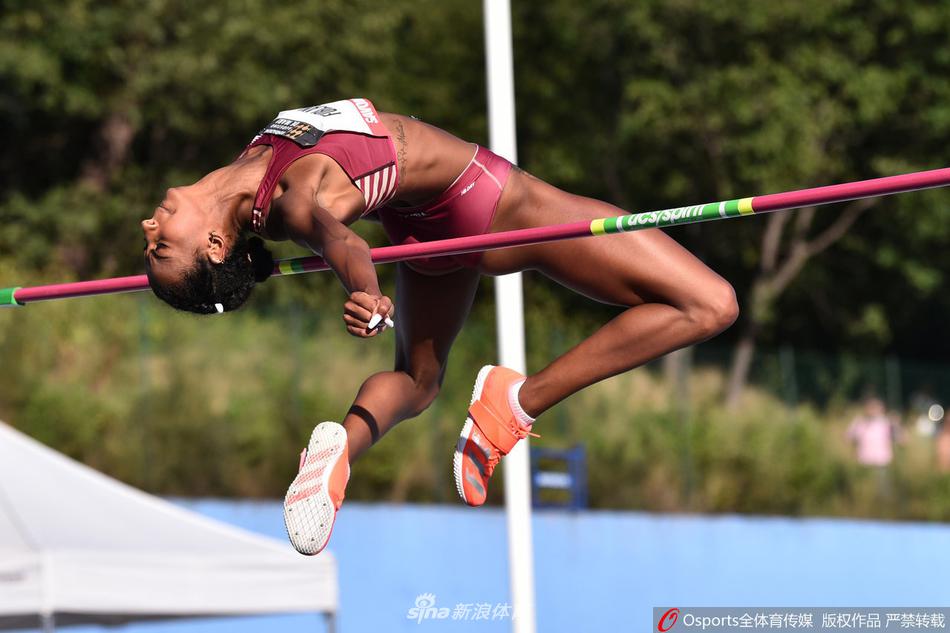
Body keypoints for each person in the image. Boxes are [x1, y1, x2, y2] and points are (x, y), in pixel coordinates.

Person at [142, 98, 738, 554]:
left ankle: (341, 447)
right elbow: (340, 240)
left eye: (152, 244)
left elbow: (331, 226)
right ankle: (519, 401)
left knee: (420, 382)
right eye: (163, 248)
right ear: (216, 244)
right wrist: (366, 293)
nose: (150, 228)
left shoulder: (256, 169)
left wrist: (348, 279)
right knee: (711, 304)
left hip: (421, 234)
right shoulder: (288, 200)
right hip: (490, 203)